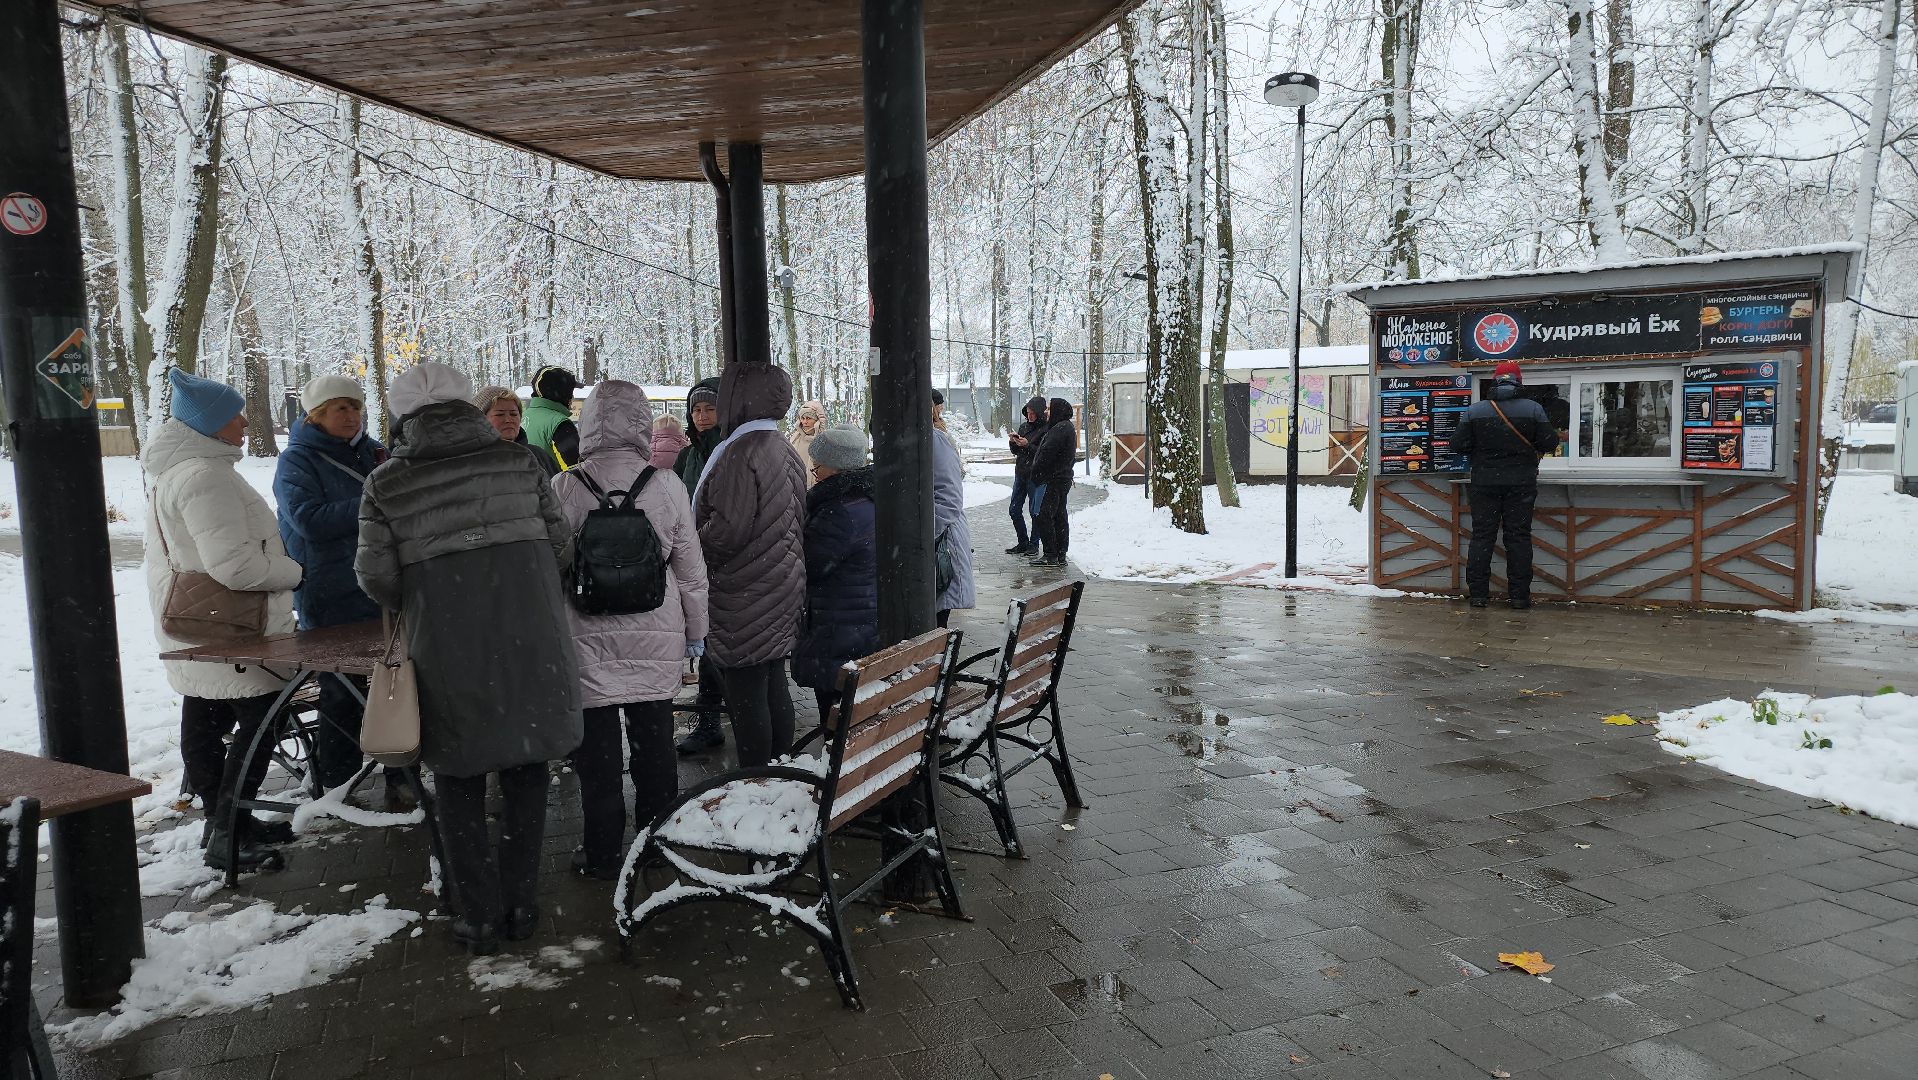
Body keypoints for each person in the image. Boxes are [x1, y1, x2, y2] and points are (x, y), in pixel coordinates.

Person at [356, 363, 582, 955]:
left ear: (404, 415)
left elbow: (377, 579)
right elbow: (561, 546)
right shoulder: (519, 463)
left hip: (445, 645)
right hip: (529, 634)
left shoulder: (386, 483)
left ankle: (476, 914)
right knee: (527, 765)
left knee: (457, 775)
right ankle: (521, 903)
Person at [144, 368, 303, 873]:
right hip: (231, 625)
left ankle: (225, 824)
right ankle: (230, 831)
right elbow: (235, 567)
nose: (244, 423)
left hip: (198, 622)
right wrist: (295, 571)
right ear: (209, 424)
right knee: (261, 720)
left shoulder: (179, 472)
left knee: (206, 718)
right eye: (235, 415)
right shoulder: (204, 477)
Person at [550, 382, 709, 880]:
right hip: (655, 633)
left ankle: (601, 853)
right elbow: (690, 569)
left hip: (586, 635)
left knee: (596, 758)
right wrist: (696, 633)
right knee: (655, 749)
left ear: (589, 425)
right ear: (642, 423)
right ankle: (655, 843)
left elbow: (553, 564)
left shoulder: (566, 485)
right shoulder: (666, 484)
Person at [273, 374, 412, 810]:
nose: (351, 416)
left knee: (397, 687)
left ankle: (401, 775)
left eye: (355, 407)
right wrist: (377, 500)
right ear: (316, 415)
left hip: (381, 586)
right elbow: (308, 520)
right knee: (341, 692)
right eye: (340, 408)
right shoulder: (297, 460)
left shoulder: (375, 452)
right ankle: (338, 786)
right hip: (330, 592)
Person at [693, 362, 806, 769]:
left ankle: (756, 779)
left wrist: (693, 543)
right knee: (772, 680)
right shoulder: (783, 448)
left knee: (745, 690)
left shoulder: (740, 453)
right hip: (780, 583)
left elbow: (728, 531)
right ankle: (780, 769)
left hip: (743, 592)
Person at [1445, 360, 1559, 610]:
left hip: (1484, 483)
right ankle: (1519, 597)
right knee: (1518, 538)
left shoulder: (1475, 411)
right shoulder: (1534, 409)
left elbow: (1457, 444)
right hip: (1521, 484)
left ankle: (1478, 595)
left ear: (1495, 382)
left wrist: (1481, 450)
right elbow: (1550, 443)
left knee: (1482, 537)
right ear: (1519, 382)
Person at [791, 427, 876, 721]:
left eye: (818, 466)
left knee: (836, 716)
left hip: (838, 627)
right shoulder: (868, 498)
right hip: (863, 622)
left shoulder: (837, 511)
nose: (813, 472)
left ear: (838, 467)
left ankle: (836, 749)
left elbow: (811, 565)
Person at [672, 376, 728, 754]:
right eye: (696, 409)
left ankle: (721, 718)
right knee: (706, 642)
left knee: (720, 644)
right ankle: (709, 722)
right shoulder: (686, 456)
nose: (702, 415)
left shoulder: (729, 452)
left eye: (710, 408)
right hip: (694, 560)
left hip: (722, 560)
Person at [931, 405, 976, 627]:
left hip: (940, 547)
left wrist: (920, 537)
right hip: (933, 548)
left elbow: (949, 499)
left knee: (935, 626)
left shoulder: (934, 440)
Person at [1028, 398, 1078, 567]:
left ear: (1058, 410)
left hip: (1053, 479)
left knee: (1044, 515)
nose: (1046, 412)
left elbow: (1047, 453)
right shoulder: (1065, 427)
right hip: (1062, 478)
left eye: (1049, 409)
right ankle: (1060, 553)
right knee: (1059, 515)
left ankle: (1051, 554)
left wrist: (1036, 473)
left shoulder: (1060, 429)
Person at [474, 385, 560, 475]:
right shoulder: (470, 460)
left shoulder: (538, 456)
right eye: (499, 415)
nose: (508, 420)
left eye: (513, 414)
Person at [1005, 396, 1048, 555]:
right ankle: (1023, 541)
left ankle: (1034, 544)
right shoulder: (1024, 427)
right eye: (1028, 413)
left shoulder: (1046, 429)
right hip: (1021, 472)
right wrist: (1013, 442)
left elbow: (1043, 453)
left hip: (1035, 475)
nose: (1029, 416)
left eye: (1032, 413)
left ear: (1039, 413)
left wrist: (1027, 445)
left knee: (1034, 511)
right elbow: (1016, 452)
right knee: (1014, 509)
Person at [522, 366, 582, 471]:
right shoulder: (560, 424)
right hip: (553, 481)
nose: (572, 397)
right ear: (562, 393)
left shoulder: (521, 417)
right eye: (570, 391)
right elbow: (576, 470)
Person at [788, 400, 827, 487]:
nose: (805, 422)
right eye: (803, 418)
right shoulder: (795, 439)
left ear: (817, 420)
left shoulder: (825, 442)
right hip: (795, 486)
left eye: (809, 418)